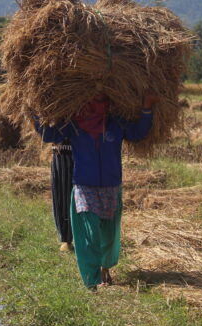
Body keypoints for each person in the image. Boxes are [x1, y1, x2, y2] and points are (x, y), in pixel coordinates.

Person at [36, 91, 158, 289]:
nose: (98, 105)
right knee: (89, 234)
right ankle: (92, 282)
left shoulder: (116, 123)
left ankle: (105, 267)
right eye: (94, 100)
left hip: (111, 186)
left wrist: (146, 108)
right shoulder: (74, 124)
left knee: (109, 235)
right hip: (84, 187)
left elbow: (138, 133)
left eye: (103, 101)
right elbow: (50, 134)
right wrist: (33, 112)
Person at [51, 140, 74, 251]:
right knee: (63, 195)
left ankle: (87, 237)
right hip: (61, 155)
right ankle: (67, 238)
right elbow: (46, 135)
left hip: (83, 152)